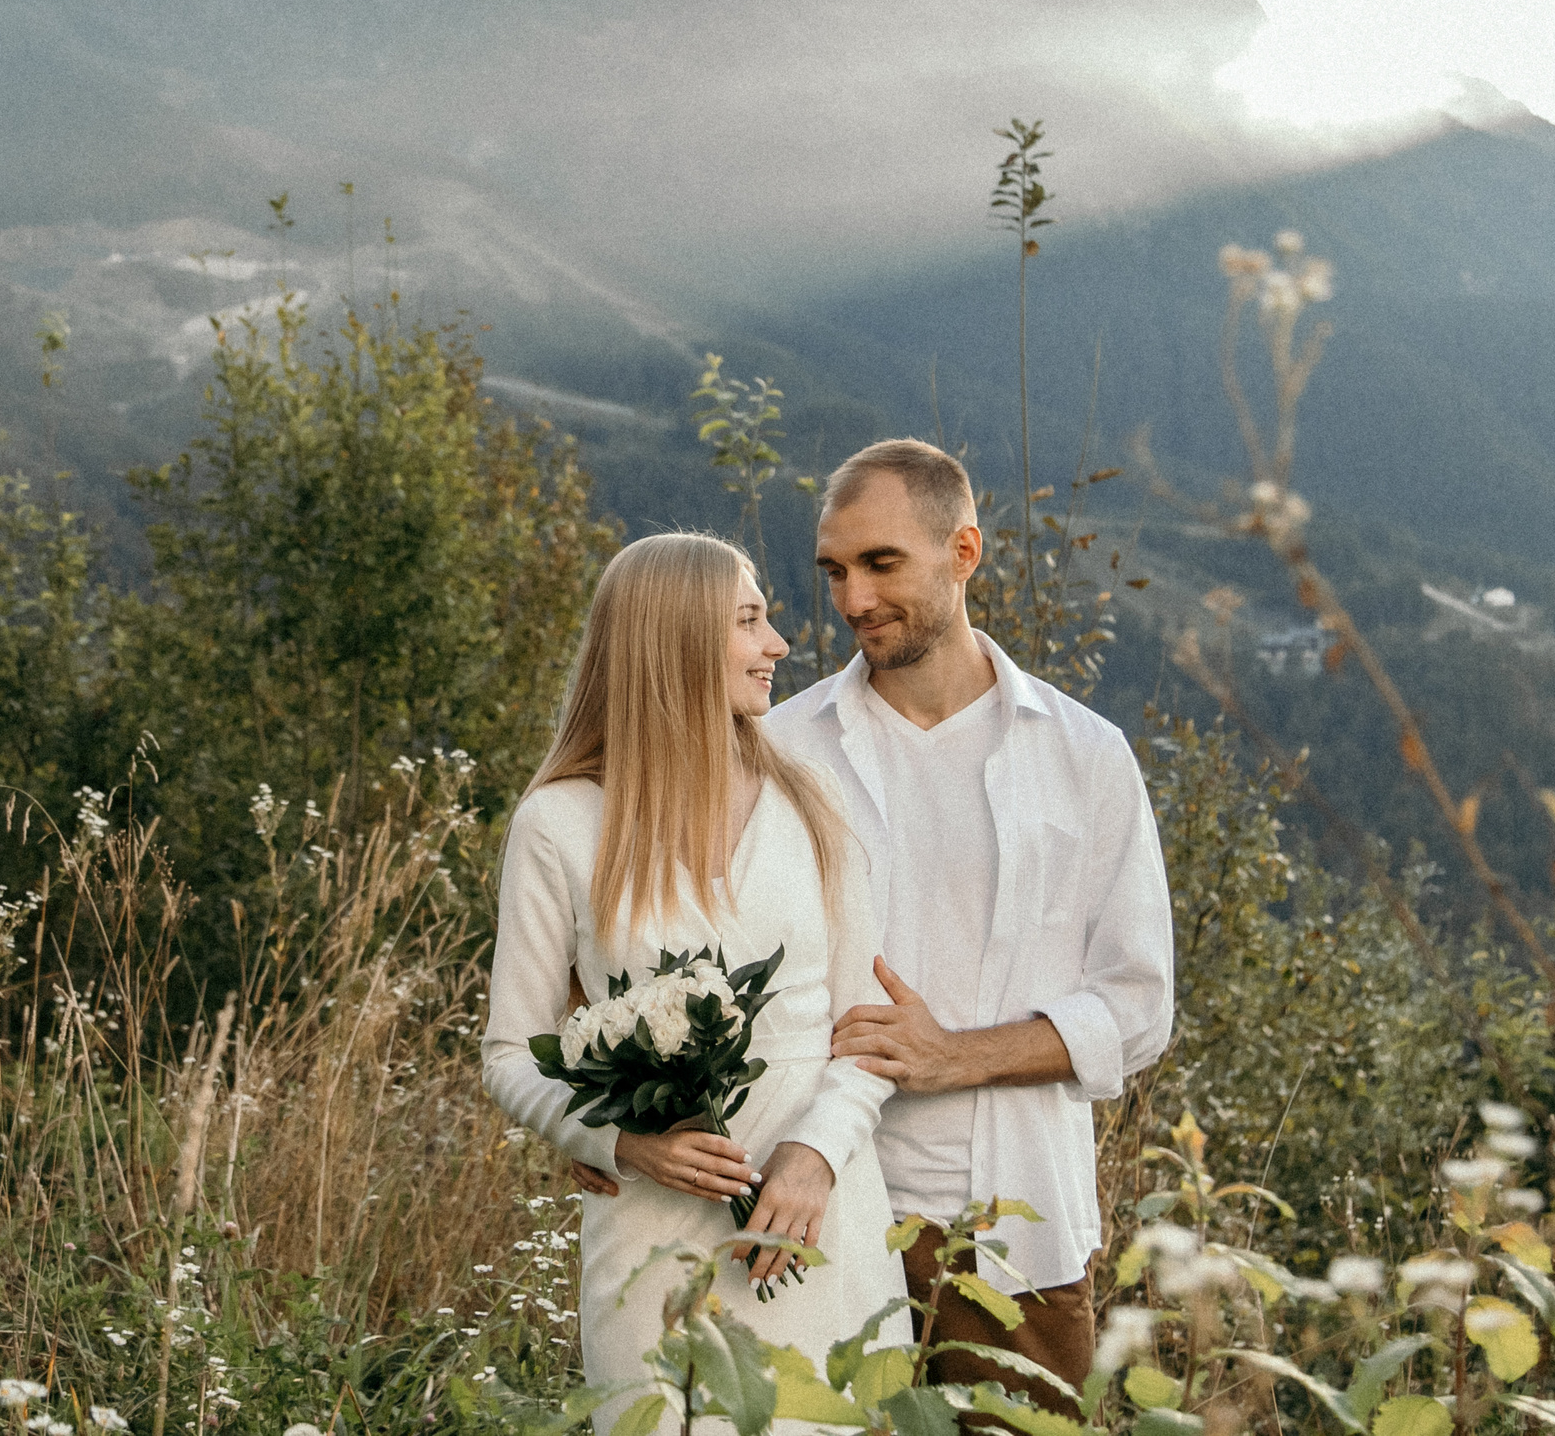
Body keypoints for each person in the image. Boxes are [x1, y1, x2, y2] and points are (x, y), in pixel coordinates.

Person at [765, 439, 1175, 1415]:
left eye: (880, 564)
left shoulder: (1082, 755)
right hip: (819, 1228)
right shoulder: (781, 751)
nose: (853, 599)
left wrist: (956, 1055)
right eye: (834, 571)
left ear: (964, 552)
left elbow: (1138, 1006)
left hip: (1016, 1242)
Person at [483, 532, 906, 1431]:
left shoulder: (815, 804)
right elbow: (510, 1052)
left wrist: (817, 1153)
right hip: (652, 1239)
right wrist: (619, 1142)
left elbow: (869, 1030)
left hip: (818, 1226)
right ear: (674, 641)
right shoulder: (560, 823)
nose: (778, 644)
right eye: (750, 620)